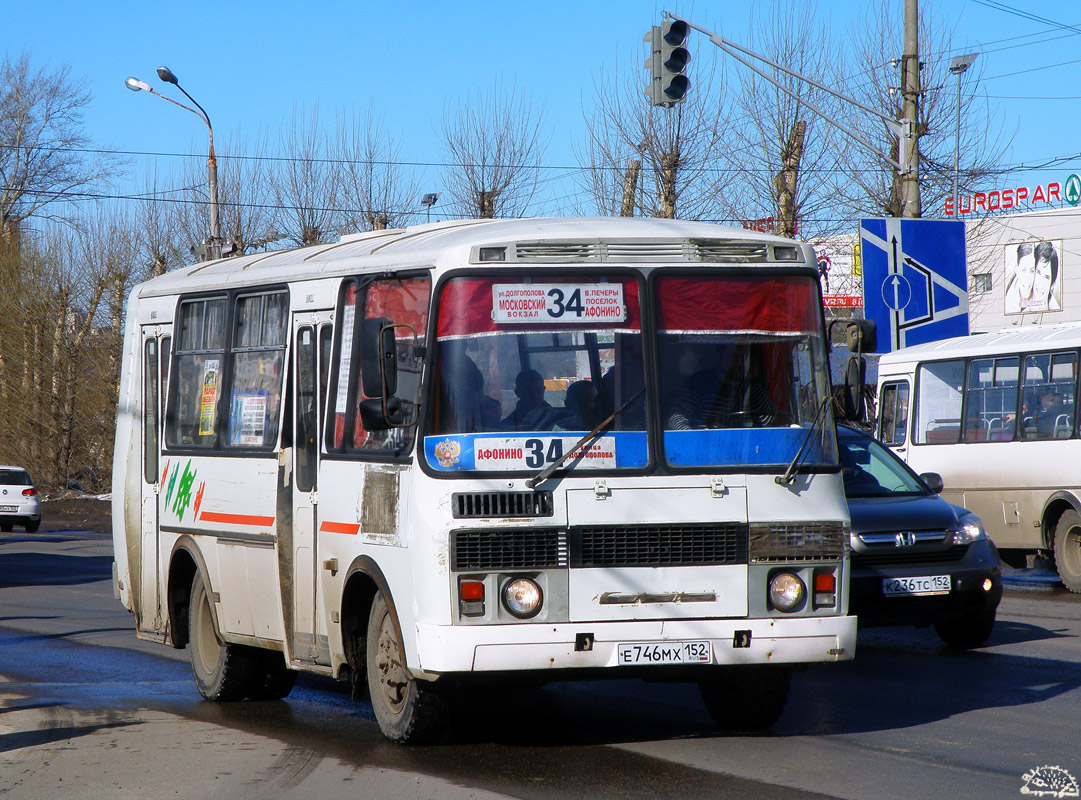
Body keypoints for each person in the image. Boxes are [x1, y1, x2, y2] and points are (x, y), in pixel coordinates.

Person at [667, 345, 778, 430]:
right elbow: (676, 419)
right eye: (732, 356)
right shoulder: (697, 383)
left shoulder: (751, 387)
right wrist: (695, 442)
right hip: (706, 450)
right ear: (719, 356)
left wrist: (753, 379)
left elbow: (769, 420)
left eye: (742, 357)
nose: (737, 362)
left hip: (743, 452)